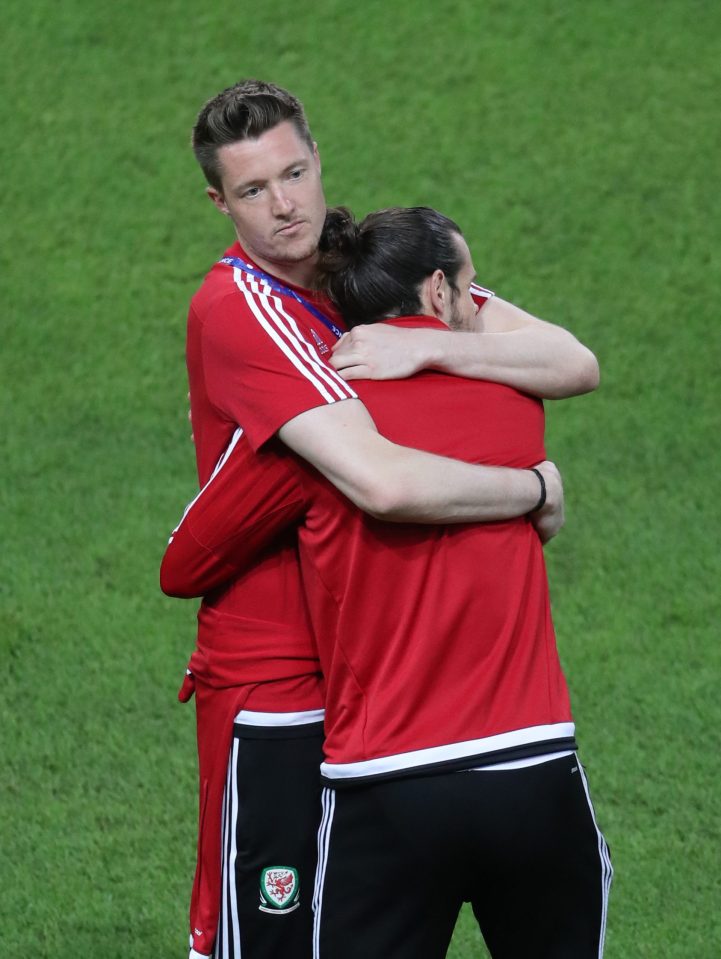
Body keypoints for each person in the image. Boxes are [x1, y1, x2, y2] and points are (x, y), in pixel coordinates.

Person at [170, 78, 600, 959]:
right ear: (219, 202)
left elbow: (569, 357)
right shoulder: (238, 311)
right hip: (281, 684)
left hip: (370, 669)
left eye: (293, 173)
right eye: (253, 191)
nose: (284, 206)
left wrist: (432, 343)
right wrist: (534, 490)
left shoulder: (358, 268)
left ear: (318, 157)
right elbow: (382, 482)